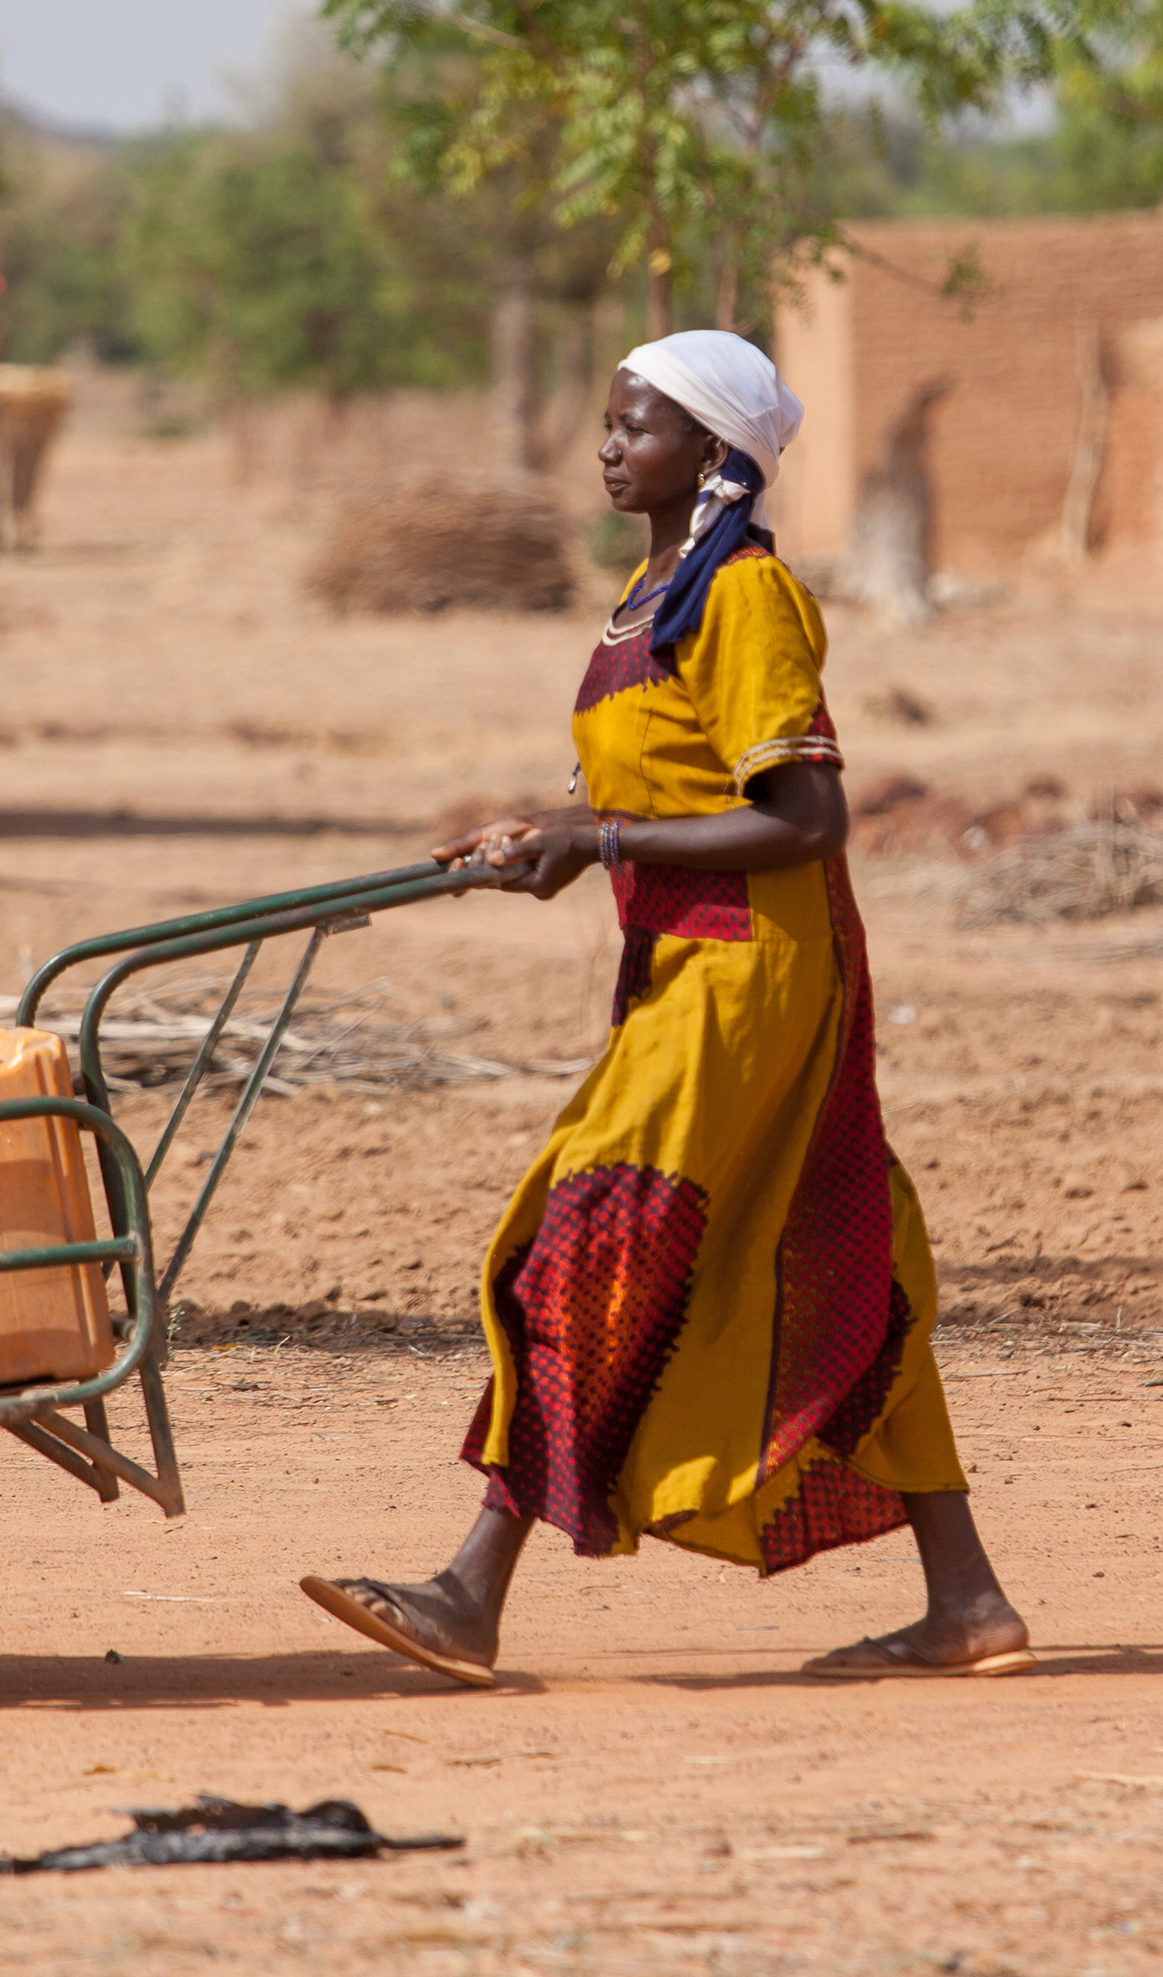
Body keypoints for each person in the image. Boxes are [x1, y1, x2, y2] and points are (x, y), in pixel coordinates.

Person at [300, 331, 1031, 1687]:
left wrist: (609, 844)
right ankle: (968, 1599)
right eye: (606, 422)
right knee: (844, 1259)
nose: (608, 445)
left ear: (713, 454)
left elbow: (806, 818)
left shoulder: (744, 596)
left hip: (755, 970)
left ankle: (471, 1589)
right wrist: (555, 836)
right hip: (690, 968)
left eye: (638, 427)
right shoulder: (652, 596)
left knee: (579, 1245)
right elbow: (668, 789)